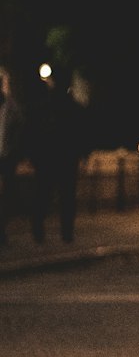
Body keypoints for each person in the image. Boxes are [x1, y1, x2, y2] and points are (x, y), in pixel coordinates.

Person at [25, 67, 89, 245]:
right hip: (66, 157)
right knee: (66, 196)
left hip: (48, 157)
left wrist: (33, 155)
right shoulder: (71, 106)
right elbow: (82, 133)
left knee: (43, 194)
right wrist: (83, 154)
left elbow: (33, 131)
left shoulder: (45, 106)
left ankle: (39, 230)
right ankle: (66, 232)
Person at [0, 67, 26, 246]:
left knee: (5, 196)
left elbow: (20, 130)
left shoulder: (10, 107)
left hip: (6, 157)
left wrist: (15, 152)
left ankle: (1, 230)